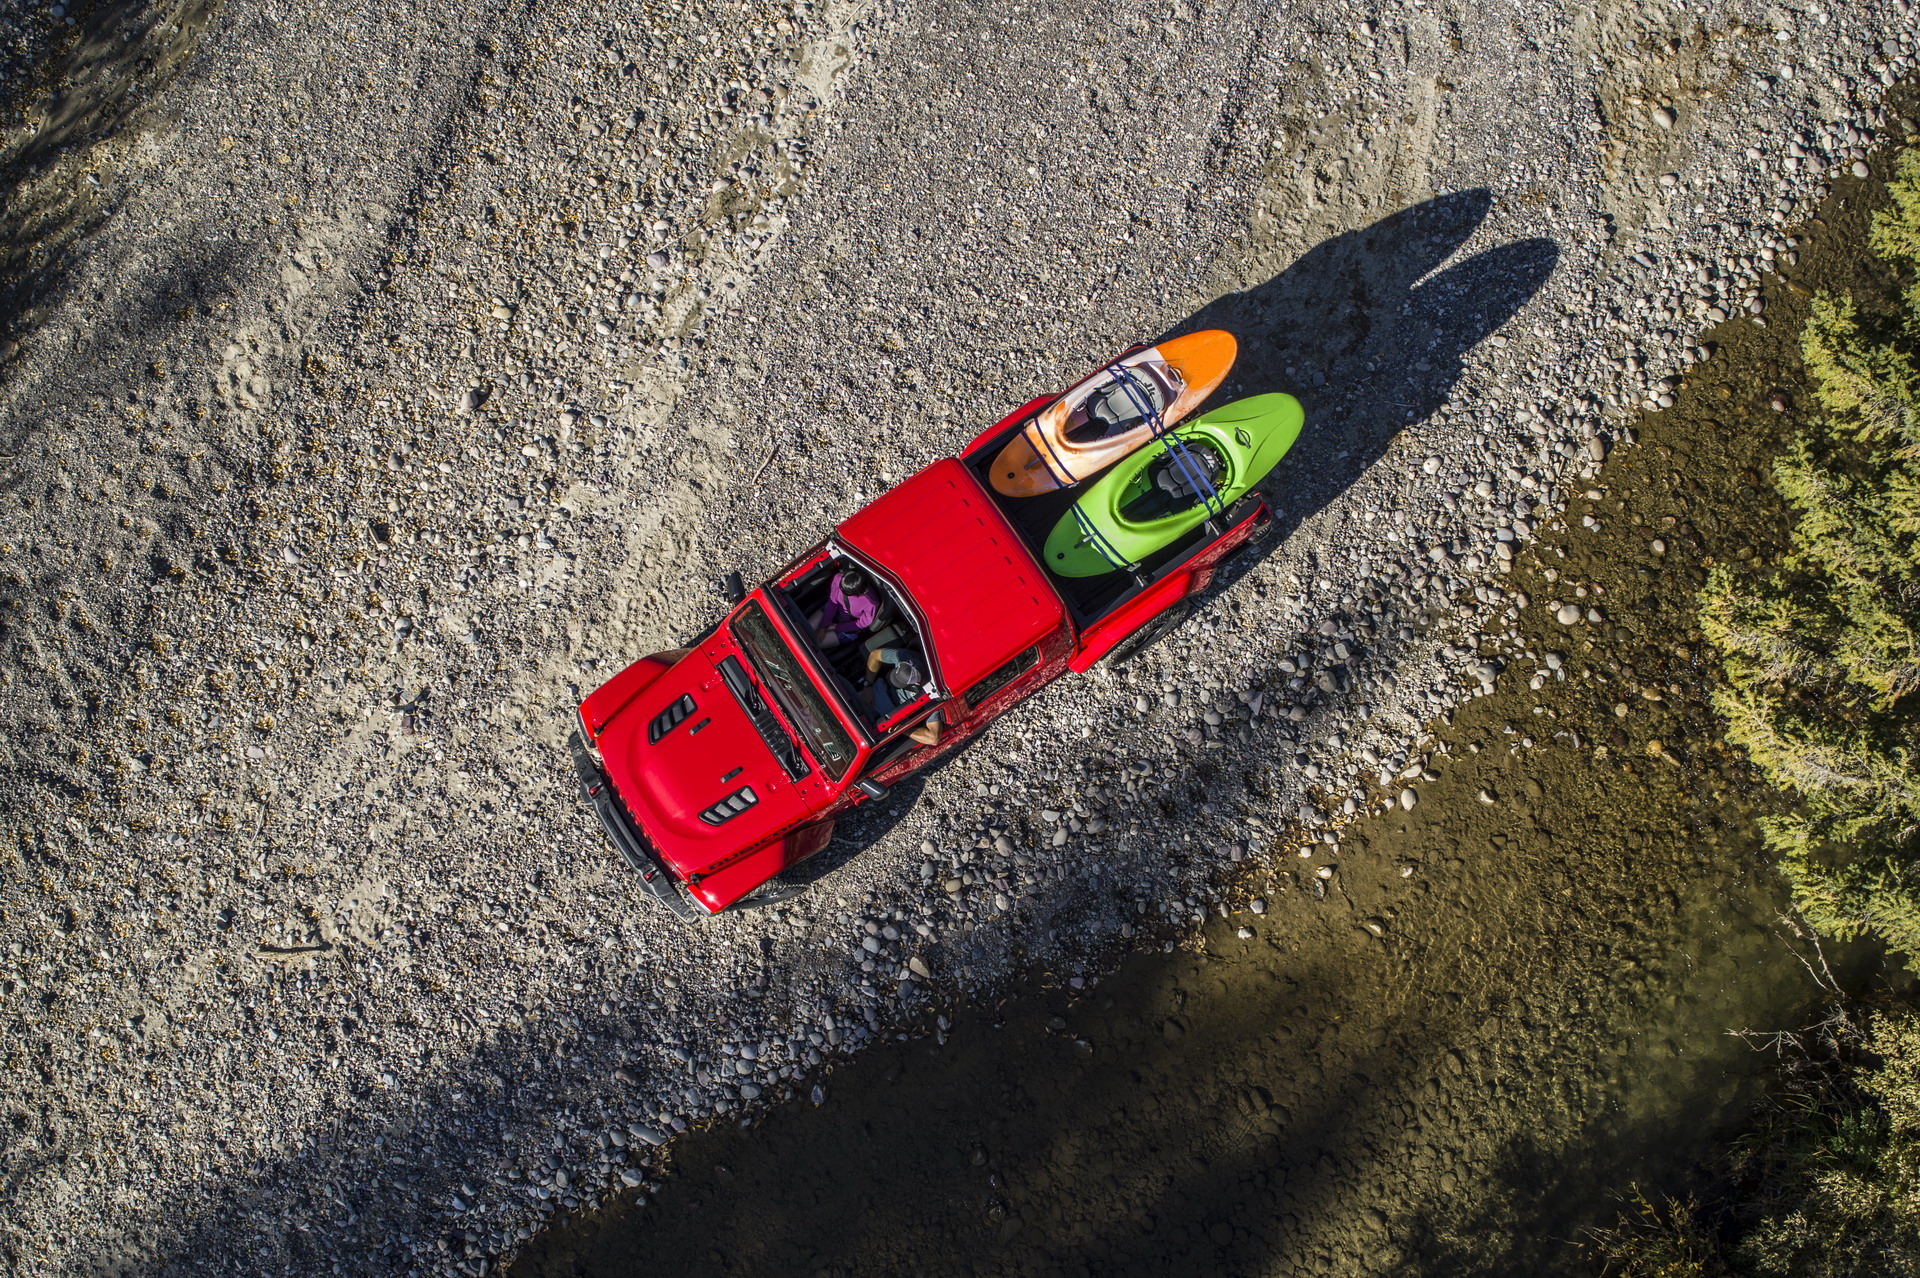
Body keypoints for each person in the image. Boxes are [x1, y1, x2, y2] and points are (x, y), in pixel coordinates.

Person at [859, 646, 943, 745]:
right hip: (879, 691)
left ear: (916, 683)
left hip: (896, 716)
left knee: (868, 741)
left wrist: (900, 728)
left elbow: (933, 739)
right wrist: (868, 686)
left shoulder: (932, 693)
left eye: (901, 682)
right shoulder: (904, 656)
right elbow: (875, 655)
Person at [810, 565, 882, 648]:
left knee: (813, 644)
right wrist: (822, 627)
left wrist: (836, 627)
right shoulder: (839, 579)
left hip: (847, 628)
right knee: (806, 629)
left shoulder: (871, 603)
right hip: (831, 613)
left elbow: (861, 623)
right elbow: (832, 603)